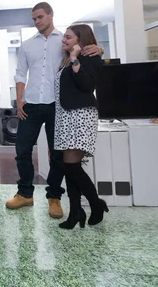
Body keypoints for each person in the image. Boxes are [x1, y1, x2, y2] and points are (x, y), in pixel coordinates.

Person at [5, 2, 103, 219]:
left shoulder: (66, 40)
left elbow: (87, 53)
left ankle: (54, 197)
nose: (37, 21)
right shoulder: (27, 45)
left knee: (56, 155)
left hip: (57, 106)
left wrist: (99, 48)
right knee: (22, 151)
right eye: (34, 19)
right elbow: (20, 74)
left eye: (40, 17)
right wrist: (19, 99)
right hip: (30, 104)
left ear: (51, 15)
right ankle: (25, 193)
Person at [54, 24, 108, 229]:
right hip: (66, 117)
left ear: (80, 39)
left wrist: (77, 58)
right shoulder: (66, 59)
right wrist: (72, 57)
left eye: (68, 37)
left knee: (71, 167)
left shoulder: (90, 58)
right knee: (70, 168)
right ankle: (76, 212)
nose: (63, 40)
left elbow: (87, 85)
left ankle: (95, 203)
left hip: (80, 116)